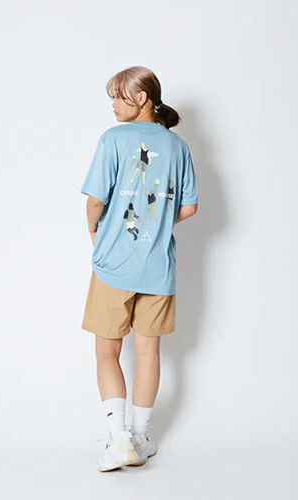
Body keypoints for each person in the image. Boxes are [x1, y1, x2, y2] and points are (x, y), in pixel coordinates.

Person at [80, 66, 199, 472]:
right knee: (149, 352)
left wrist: (94, 230)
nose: (113, 105)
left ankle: (118, 439)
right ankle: (142, 437)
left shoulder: (113, 140)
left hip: (114, 263)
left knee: (107, 351)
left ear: (143, 97)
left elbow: (95, 201)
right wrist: (158, 223)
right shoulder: (178, 146)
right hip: (158, 266)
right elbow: (189, 207)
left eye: (118, 96)